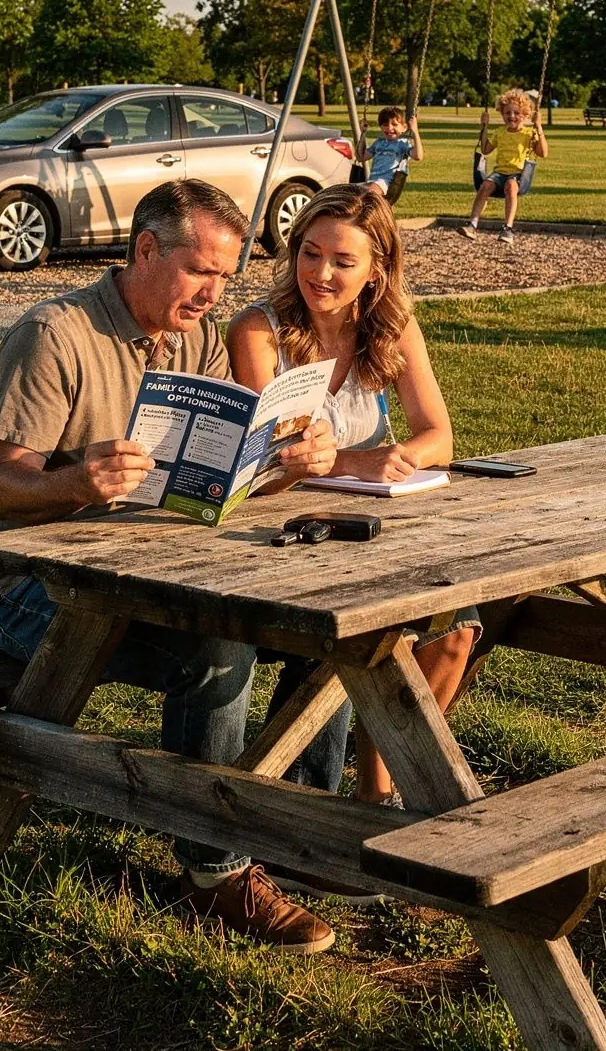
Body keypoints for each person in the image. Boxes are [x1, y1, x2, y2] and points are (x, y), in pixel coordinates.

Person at [0, 178, 339, 955]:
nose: (215, 294)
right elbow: (2, 489)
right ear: (146, 249)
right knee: (217, 649)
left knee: (329, 633)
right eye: (201, 272)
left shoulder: (198, 338)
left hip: (155, 566)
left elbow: (219, 475)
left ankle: (303, 833)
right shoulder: (56, 334)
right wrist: (76, 482)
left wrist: (287, 463)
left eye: (225, 277)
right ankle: (213, 876)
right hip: (37, 590)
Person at [227, 184, 480, 838]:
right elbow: (275, 454)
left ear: (377, 269)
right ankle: (311, 825)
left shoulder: (391, 327)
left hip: (375, 525)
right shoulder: (259, 329)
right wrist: (359, 462)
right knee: (350, 640)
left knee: (457, 630)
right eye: (310, 254)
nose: (321, 273)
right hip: (282, 531)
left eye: (343, 260)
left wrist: (398, 457)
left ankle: (380, 792)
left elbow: (438, 436)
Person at [459, 89, 548, 244]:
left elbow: (542, 153)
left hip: (518, 174)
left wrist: (539, 128)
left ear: (526, 115)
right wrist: (484, 126)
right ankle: (472, 225)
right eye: (507, 113)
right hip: (499, 173)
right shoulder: (500, 132)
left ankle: (508, 228)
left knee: (511, 187)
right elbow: (485, 149)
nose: (511, 116)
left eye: (516, 113)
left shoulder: (528, 133)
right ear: (502, 114)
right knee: (485, 185)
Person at [357, 104, 423, 195]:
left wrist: (415, 131)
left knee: (367, 192)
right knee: (347, 191)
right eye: (385, 124)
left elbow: (418, 156)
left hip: (387, 183)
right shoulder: (378, 142)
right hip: (372, 181)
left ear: (404, 127)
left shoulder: (403, 143)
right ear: (381, 127)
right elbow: (361, 157)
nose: (389, 128)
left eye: (394, 124)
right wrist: (363, 133)